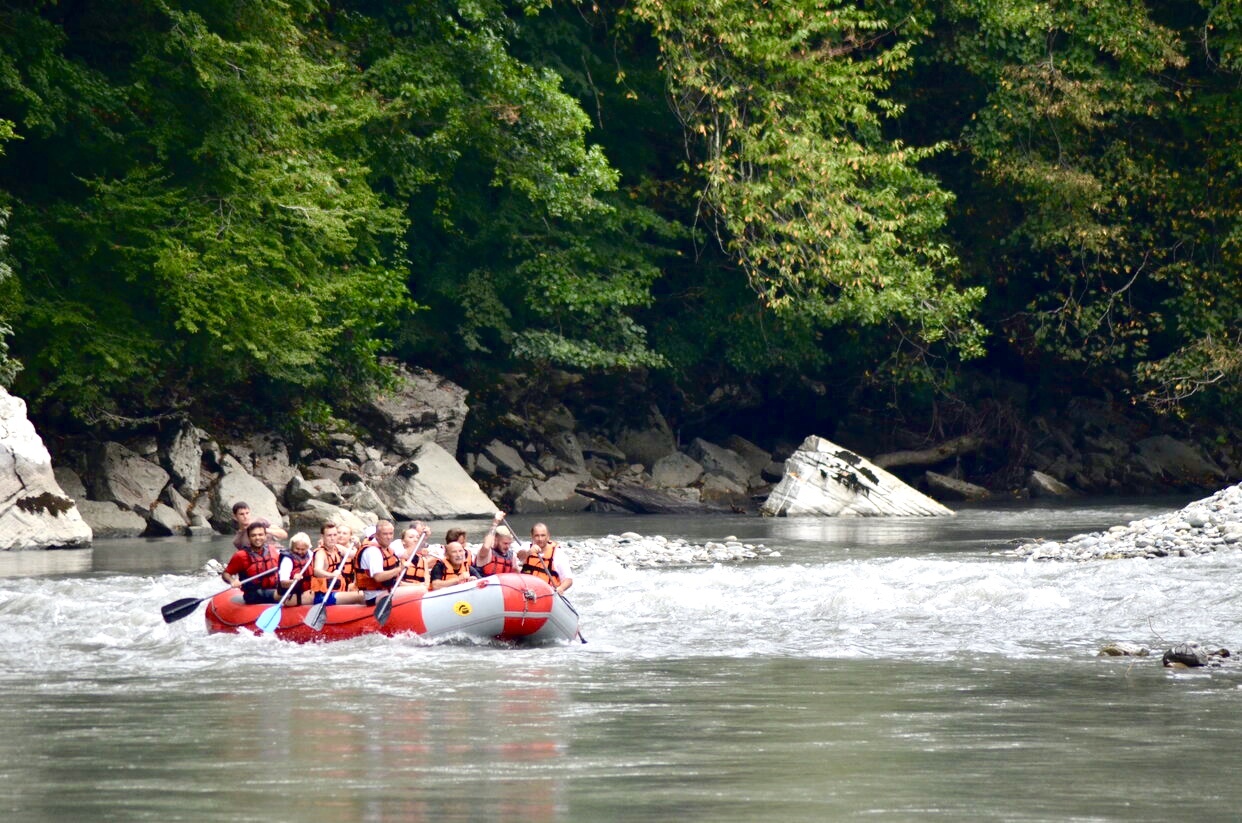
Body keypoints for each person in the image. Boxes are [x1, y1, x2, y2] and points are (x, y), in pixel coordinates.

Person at [221, 522, 281, 604]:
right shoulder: (240, 555)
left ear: (265, 536)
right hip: (253, 594)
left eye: (260, 535)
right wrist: (232, 581)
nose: (257, 538)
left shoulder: (272, 550)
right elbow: (226, 574)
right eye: (253, 535)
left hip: (274, 588)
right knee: (285, 595)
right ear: (249, 538)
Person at [354, 519, 409, 603]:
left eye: (391, 533)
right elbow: (378, 577)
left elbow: (406, 554)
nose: (389, 537)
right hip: (375, 596)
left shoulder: (386, 548)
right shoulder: (373, 551)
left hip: (386, 590)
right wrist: (399, 569)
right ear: (377, 535)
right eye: (385, 534)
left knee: (420, 588)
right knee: (421, 590)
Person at [310, 521, 365, 605]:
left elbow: (357, 555)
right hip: (324, 595)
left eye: (335, 535)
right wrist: (331, 575)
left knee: (363, 592)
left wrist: (358, 544)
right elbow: (317, 571)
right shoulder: (320, 553)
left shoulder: (338, 548)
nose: (332, 538)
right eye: (329, 535)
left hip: (337, 591)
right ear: (322, 537)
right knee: (361, 596)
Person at [519, 521, 573, 594]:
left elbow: (569, 579)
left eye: (543, 535)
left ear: (548, 536)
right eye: (537, 535)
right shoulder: (526, 547)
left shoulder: (558, 554)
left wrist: (561, 588)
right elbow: (519, 557)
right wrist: (529, 552)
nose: (540, 539)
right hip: (527, 592)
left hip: (548, 595)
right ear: (532, 536)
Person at [475, 510, 519, 576]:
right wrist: (495, 523)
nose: (507, 547)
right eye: (505, 543)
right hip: (485, 583)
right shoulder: (487, 553)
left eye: (509, 544)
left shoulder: (512, 556)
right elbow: (486, 546)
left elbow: (516, 573)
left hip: (504, 585)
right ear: (495, 540)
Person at [277, 532, 316, 606]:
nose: (300, 552)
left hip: (307, 591)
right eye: (297, 549)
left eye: (303, 549)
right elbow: (283, 583)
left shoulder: (310, 554)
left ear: (307, 548)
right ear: (292, 547)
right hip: (291, 595)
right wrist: (294, 581)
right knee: (317, 597)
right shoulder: (287, 560)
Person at [394, 522, 434, 588]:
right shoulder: (398, 558)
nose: (415, 540)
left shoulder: (423, 560)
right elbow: (399, 583)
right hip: (404, 591)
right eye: (411, 537)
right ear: (403, 541)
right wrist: (418, 586)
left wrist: (423, 586)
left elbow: (427, 582)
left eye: (418, 537)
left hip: (421, 590)